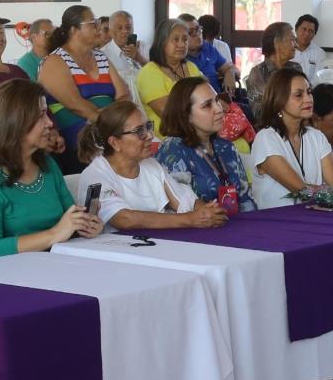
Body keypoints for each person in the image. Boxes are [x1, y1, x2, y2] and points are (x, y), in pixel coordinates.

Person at [0, 80, 101, 261]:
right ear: (15, 120)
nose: (49, 123)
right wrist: (54, 234)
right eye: (41, 115)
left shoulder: (47, 165)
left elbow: (67, 223)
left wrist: (83, 226)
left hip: (47, 268)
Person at [78, 100, 223, 230]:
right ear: (115, 142)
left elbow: (183, 199)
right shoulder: (95, 175)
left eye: (148, 127)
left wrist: (205, 211)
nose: (149, 136)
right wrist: (190, 219)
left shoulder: (151, 165)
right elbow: (124, 219)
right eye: (139, 131)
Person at [154, 76, 255, 211]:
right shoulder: (173, 149)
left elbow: (245, 200)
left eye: (217, 101)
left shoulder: (226, 147)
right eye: (207, 105)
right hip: (195, 230)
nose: (219, 109)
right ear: (186, 115)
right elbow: (180, 209)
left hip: (235, 227)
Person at [37, 5, 130, 150]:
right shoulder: (54, 61)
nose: (98, 27)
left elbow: (123, 94)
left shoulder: (101, 57)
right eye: (93, 23)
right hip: (76, 138)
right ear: (75, 30)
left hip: (109, 129)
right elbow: (75, 104)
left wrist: (114, 122)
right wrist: (111, 122)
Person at [251, 69, 333, 209]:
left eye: (309, 92)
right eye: (299, 95)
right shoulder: (265, 139)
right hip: (276, 223)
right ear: (280, 101)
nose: (308, 99)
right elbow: (301, 190)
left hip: (313, 217)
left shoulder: (316, 137)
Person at [137, 19, 204, 134]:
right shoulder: (149, 72)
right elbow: (167, 112)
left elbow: (207, 96)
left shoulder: (191, 67)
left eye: (185, 39)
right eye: (176, 39)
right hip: (168, 136)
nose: (182, 44)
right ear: (162, 42)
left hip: (199, 128)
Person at [244, 22, 301, 116]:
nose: (296, 45)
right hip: (271, 128)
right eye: (292, 40)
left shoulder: (296, 68)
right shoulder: (258, 73)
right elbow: (259, 113)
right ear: (277, 43)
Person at [181, 13, 237, 94]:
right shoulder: (179, 57)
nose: (198, 34)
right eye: (191, 32)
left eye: (198, 29)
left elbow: (229, 67)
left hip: (218, 99)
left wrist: (230, 73)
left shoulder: (208, 48)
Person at [101, 10, 148, 80]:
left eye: (128, 27)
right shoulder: (103, 55)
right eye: (119, 28)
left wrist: (139, 58)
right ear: (110, 32)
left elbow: (157, 73)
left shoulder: (143, 47)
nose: (125, 31)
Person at [291, 14, 326, 83]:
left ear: (314, 34)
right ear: (296, 29)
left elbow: (319, 80)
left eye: (311, 31)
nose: (307, 34)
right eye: (304, 29)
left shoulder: (319, 53)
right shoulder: (286, 49)